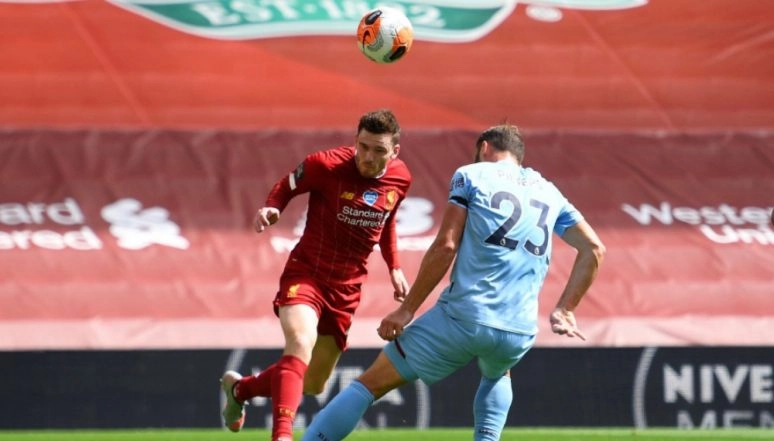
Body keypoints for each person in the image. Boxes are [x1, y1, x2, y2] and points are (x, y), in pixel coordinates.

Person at [300, 124, 606, 441]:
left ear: (485, 147)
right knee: (498, 372)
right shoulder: (549, 191)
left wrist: (406, 310)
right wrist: (565, 308)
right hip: (519, 330)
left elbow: (446, 246)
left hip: (465, 317)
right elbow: (594, 248)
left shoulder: (472, 175)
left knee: (368, 384)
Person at [219, 109, 412, 441]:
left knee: (313, 383)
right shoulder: (327, 164)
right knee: (300, 342)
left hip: (346, 289)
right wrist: (273, 207)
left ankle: (240, 390)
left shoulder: (400, 179)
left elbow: (387, 222)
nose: (368, 157)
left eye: (378, 150)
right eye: (363, 147)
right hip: (306, 273)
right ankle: (282, 435)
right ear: (356, 141)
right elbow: (287, 185)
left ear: (394, 151)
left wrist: (394, 266)